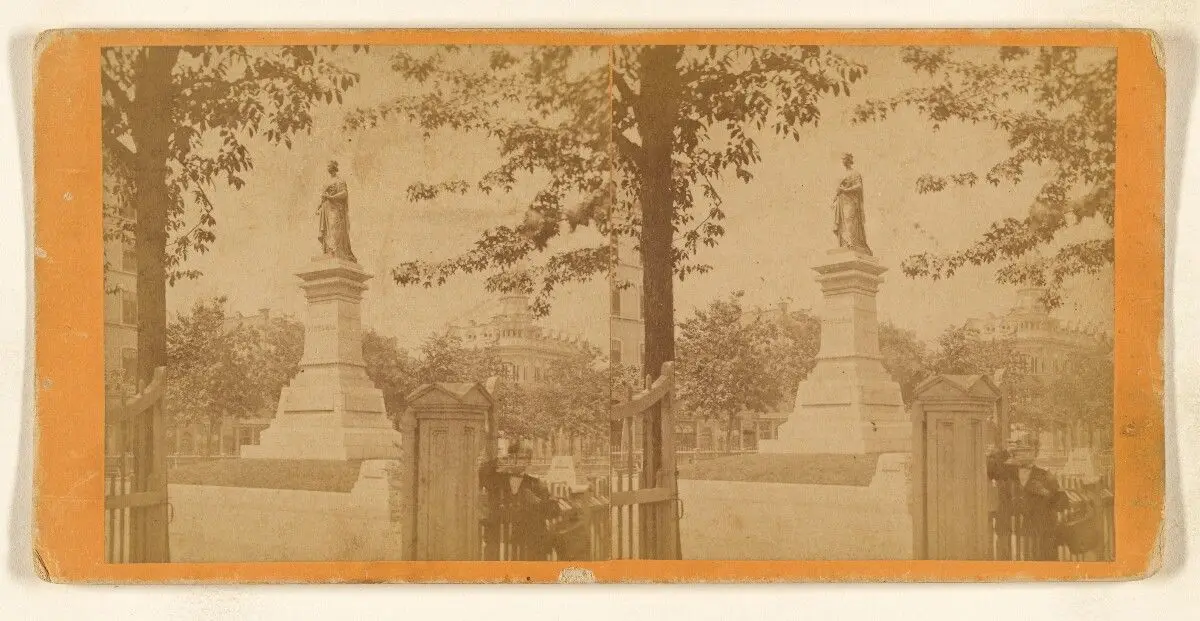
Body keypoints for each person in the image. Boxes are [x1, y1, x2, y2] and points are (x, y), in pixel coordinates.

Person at [832, 153, 872, 255]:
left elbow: (859, 186)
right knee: (842, 222)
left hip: (851, 200)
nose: (843, 161)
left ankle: (851, 242)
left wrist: (846, 190)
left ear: (849, 160)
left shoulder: (855, 173)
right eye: (842, 159)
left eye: (845, 159)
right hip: (841, 201)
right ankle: (845, 243)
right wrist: (834, 199)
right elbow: (838, 189)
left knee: (849, 219)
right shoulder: (841, 174)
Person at [317, 160, 357, 262]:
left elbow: (344, 193)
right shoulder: (326, 182)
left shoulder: (340, 180)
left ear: (334, 167)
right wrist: (319, 206)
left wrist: (332, 197)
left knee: (335, 227)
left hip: (335, 208)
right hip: (326, 208)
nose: (328, 168)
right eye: (327, 166)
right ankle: (329, 250)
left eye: (329, 166)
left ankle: (335, 249)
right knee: (327, 230)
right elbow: (323, 197)